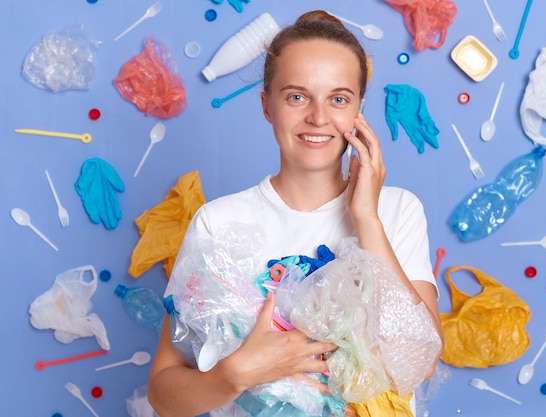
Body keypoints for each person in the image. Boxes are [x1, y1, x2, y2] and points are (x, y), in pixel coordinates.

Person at [148, 10, 443, 417]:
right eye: (297, 96)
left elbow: (420, 363)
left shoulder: (396, 212)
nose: (319, 117)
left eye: (338, 99)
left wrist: (367, 220)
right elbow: (164, 394)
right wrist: (233, 375)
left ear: (358, 110)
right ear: (267, 105)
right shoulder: (220, 223)